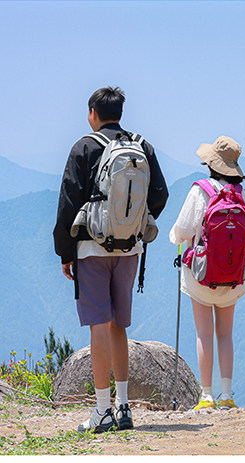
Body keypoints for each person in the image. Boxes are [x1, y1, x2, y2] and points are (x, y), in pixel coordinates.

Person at [53, 86, 168, 432]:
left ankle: (102, 409)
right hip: (130, 250)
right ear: (120, 112)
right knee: (119, 325)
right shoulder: (142, 147)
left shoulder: (85, 147)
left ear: (93, 113)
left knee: (99, 325)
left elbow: (68, 202)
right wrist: (133, 224)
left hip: (92, 249)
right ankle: (123, 407)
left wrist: (65, 251)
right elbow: (160, 194)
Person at [169, 136, 245, 411]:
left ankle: (207, 396)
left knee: (203, 333)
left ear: (211, 163)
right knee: (225, 334)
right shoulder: (242, 195)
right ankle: (227, 395)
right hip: (233, 274)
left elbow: (182, 230)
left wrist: (175, 238)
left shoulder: (200, 191)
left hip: (202, 275)